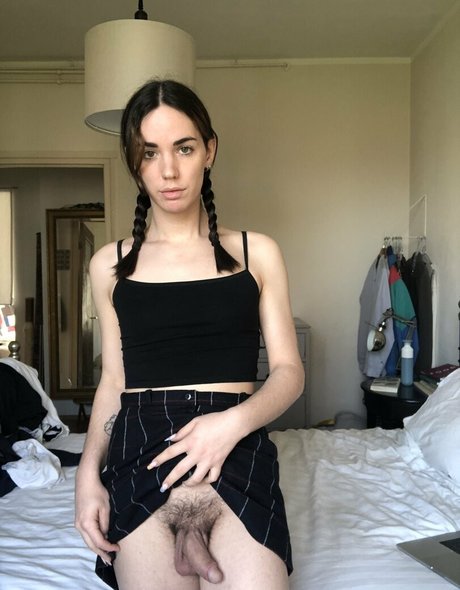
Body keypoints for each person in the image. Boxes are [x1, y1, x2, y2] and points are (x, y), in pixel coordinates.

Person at [75, 79, 304, 590]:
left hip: (237, 450)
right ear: (134, 163)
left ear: (209, 151)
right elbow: (113, 381)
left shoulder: (257, 252)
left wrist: (230, 425)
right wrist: (87, 476)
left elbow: (290, 372)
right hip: (141, 455)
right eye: (149, 152)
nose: (169, 171)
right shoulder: (109, 264)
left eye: (184, 148)